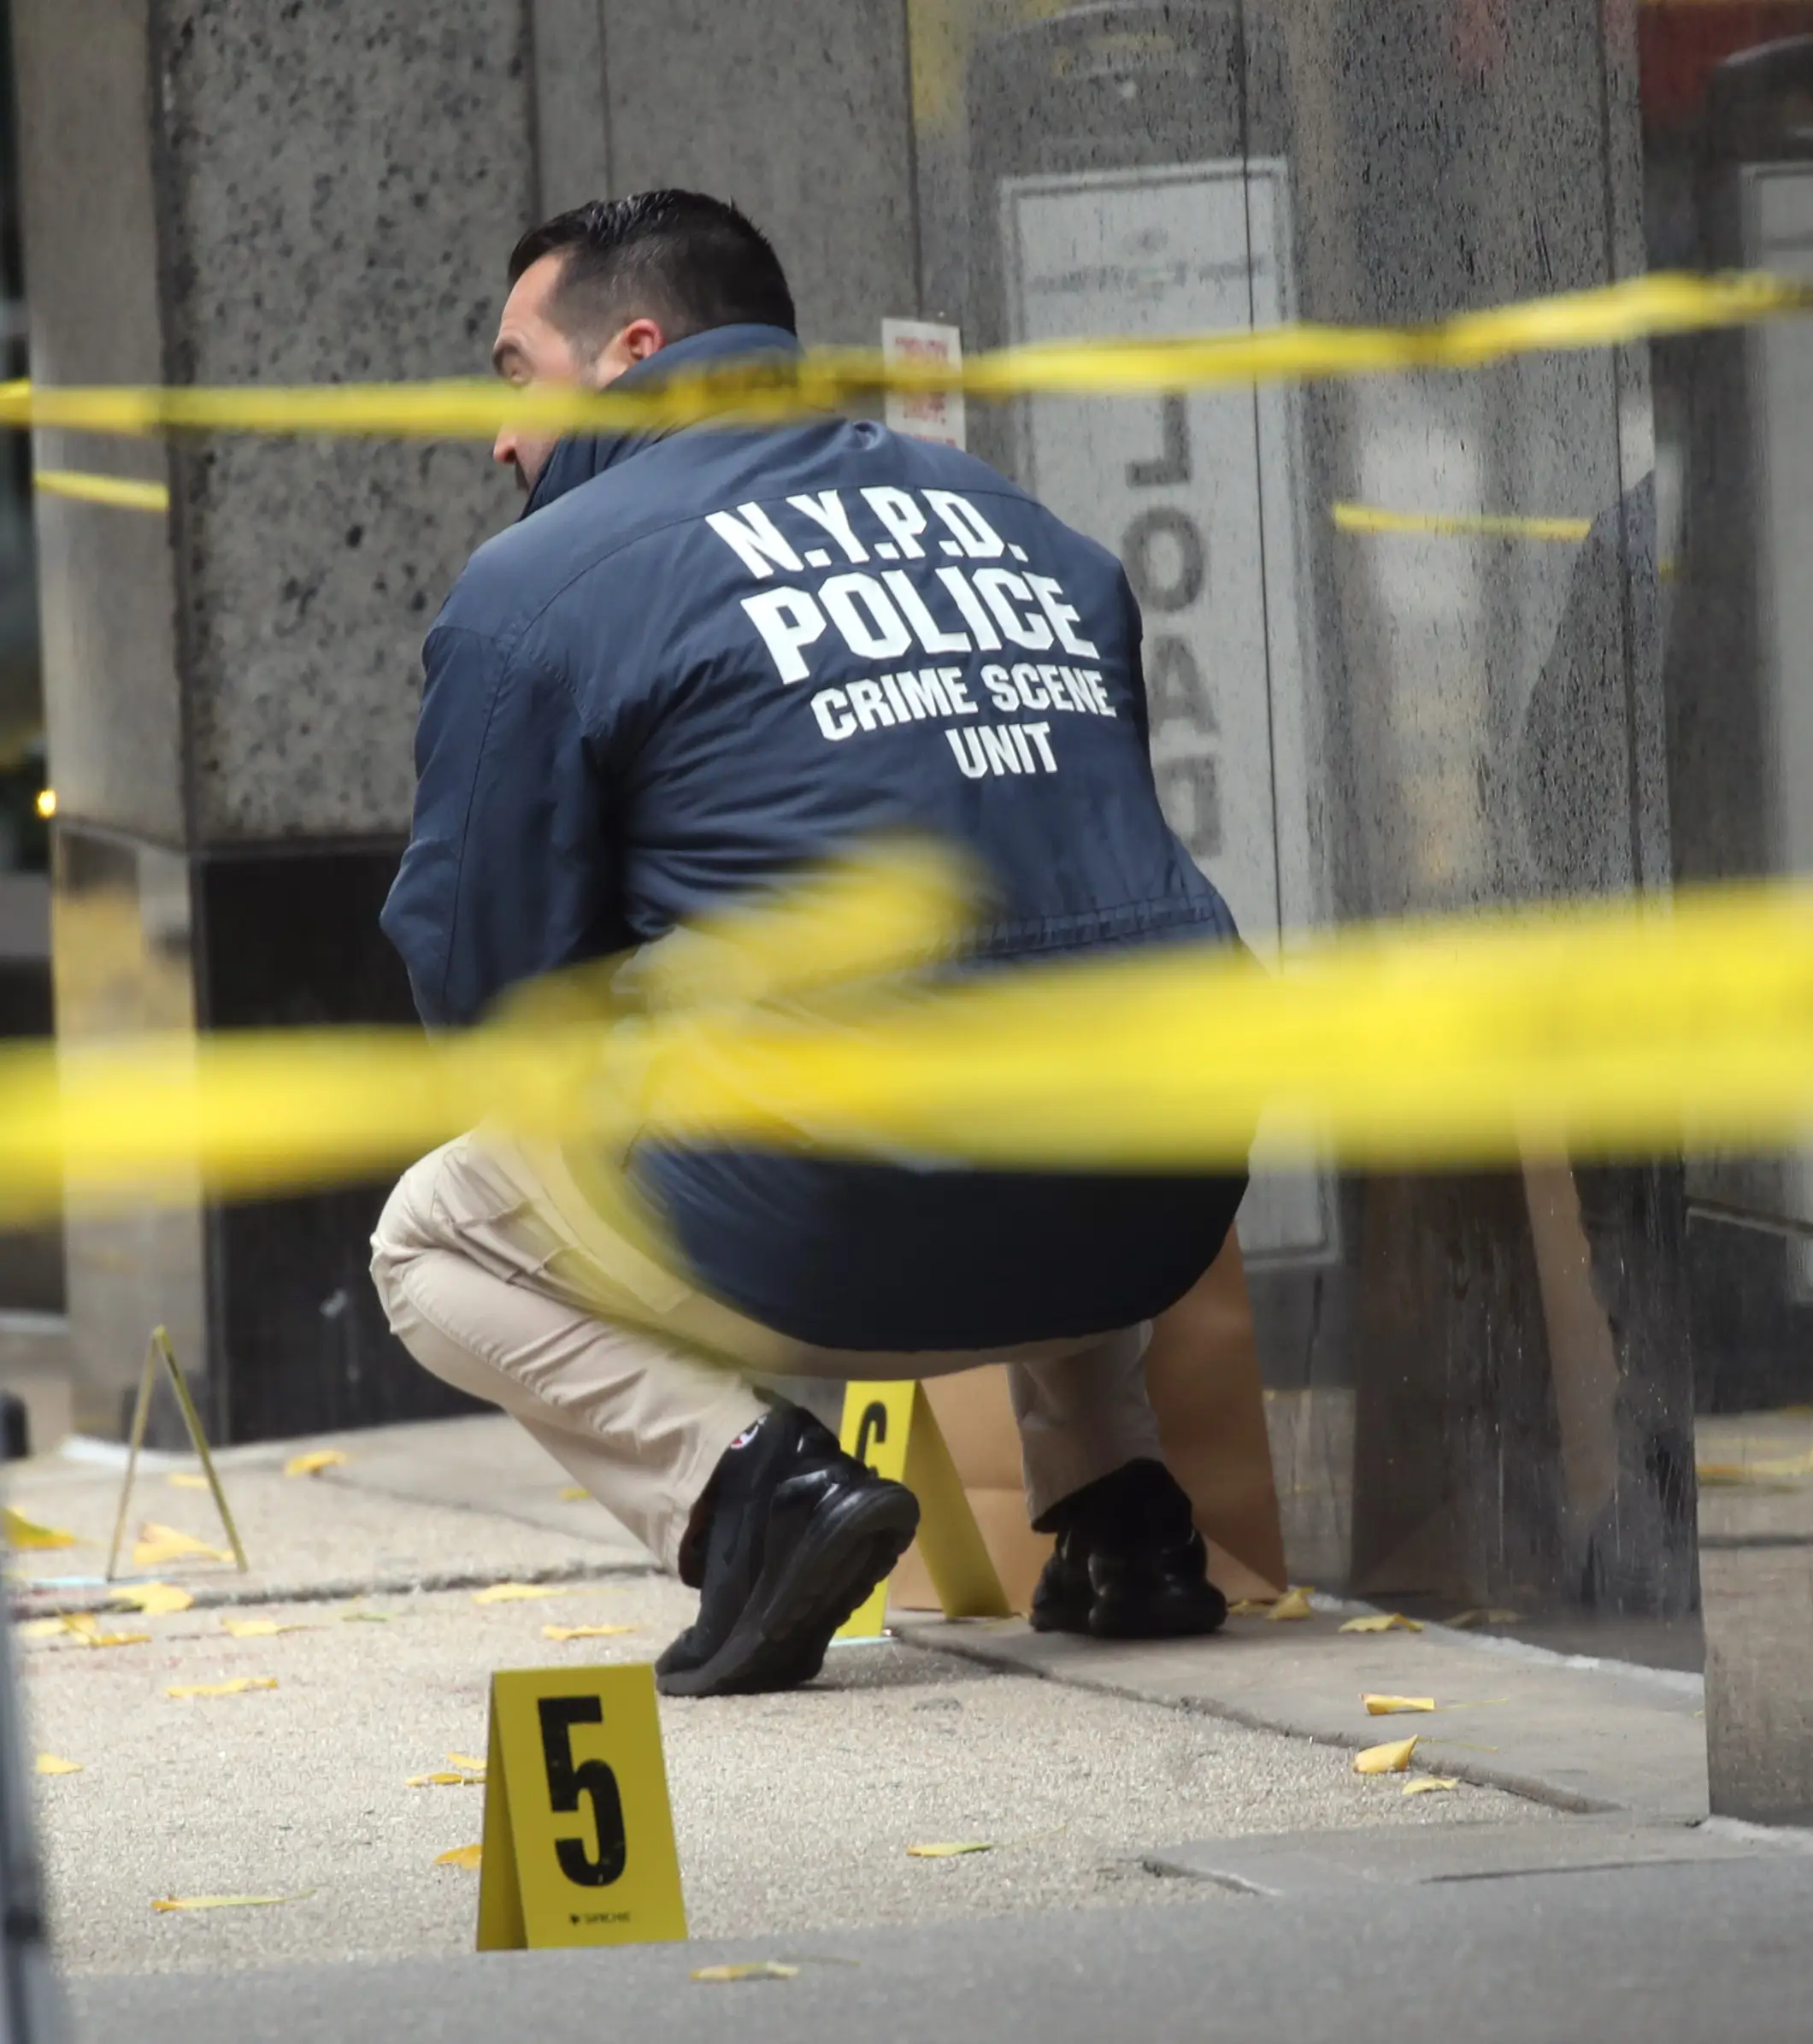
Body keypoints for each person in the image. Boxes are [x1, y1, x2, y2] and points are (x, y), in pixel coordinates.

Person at [368, 191, 1247, 1696]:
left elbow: (485, 984)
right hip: (1157, 1201)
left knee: (429, 1238)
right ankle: (1122, 1507)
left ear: (634, 348)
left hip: (831, 1229)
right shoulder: (1037, 535)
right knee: (1036, 971)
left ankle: (748, 1493)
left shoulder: (544, 585)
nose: (499, 437)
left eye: (515, 376)